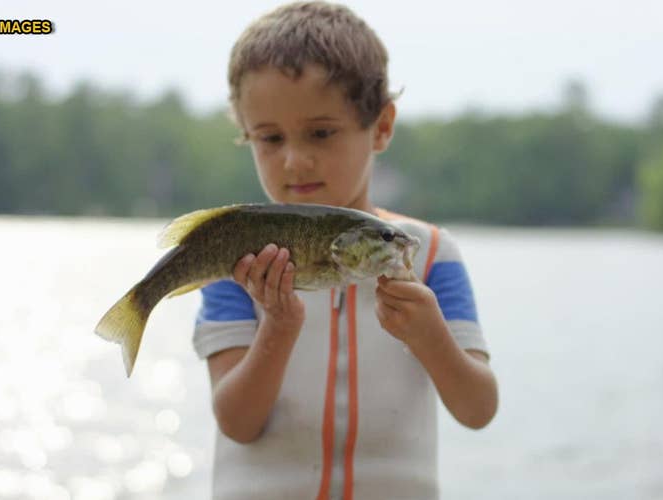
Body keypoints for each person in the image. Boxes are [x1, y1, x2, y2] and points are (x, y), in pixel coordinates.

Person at [192, 2, 498, 498]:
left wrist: (431, 337)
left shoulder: (433, 253)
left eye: (321, 132)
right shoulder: (237, 259)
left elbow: (478, 409)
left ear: (380, 126)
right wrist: (278, 328)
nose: (294, 160)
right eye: (269, 138)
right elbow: (236, 422)